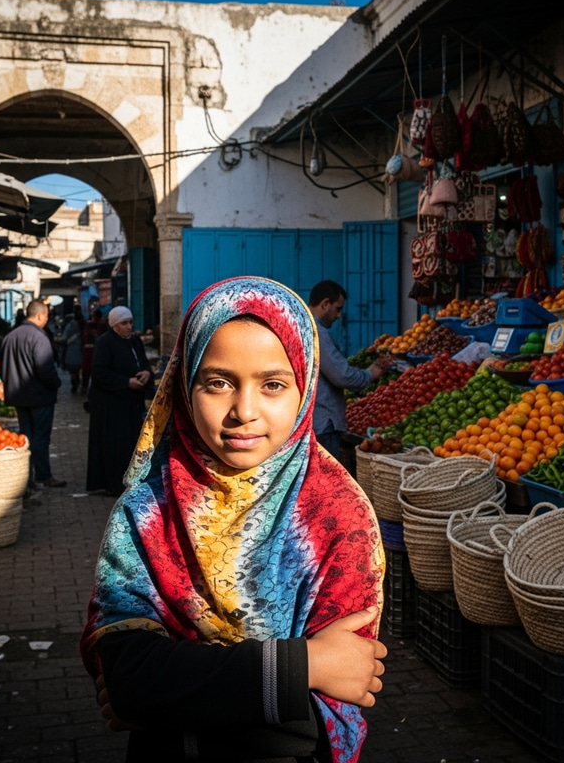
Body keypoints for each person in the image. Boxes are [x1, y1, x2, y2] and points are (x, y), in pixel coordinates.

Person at [80, 276, 386, 763]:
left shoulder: (336, 518)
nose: (244, 411)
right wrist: (301, 666)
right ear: (184, 385)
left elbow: (311, 726)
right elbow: (128, 680)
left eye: (273, 385)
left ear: (304, 388)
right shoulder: (147, 515)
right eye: (218, 383)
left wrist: (170, 699)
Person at [307, 280, 391, 459]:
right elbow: (342, 376)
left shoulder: (301, 325)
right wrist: (371, 374)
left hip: (311, 420)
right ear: (325, 304)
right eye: (338, 308)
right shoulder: (317, 332)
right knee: (325, 481)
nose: (339, 316)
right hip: (322, 422)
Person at [86, 306, 153, 496]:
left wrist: (146, 373)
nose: (128, 327)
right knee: (114, 445)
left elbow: (143, 363)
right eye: (124, 323)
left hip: (131, 403)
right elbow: (99, 372)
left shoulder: (135, 341)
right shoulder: (105, 343)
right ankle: (114, 485)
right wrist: (126, 382)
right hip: (111, 405)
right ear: (114, 325)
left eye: (130, 322)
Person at [0, 299, 66, 489]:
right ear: (40, 315)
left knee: (25, 437)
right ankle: (43, 475)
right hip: (40, 397)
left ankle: (26, 478)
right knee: (40, 437)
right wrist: (57, 383)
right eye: (46, 316)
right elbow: (45, 369)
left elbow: (2, 369)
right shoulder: (39, 337)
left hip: (19, 397)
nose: (46, 319)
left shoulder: (10, 336)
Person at [81, 307, 107, 394]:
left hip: (94, 350)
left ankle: (89, 386)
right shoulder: (92, 325)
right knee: (88, 369)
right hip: (92, 350)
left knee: (91, 369)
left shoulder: (99, 325)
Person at [61, 307, 85, 393]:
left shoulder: (70, 325)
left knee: (72, 370)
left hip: (71, 350)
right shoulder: (83, 324)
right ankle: (80, 382)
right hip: (82, 350)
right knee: (79, 368)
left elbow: (64, 337)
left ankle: (74, 383)